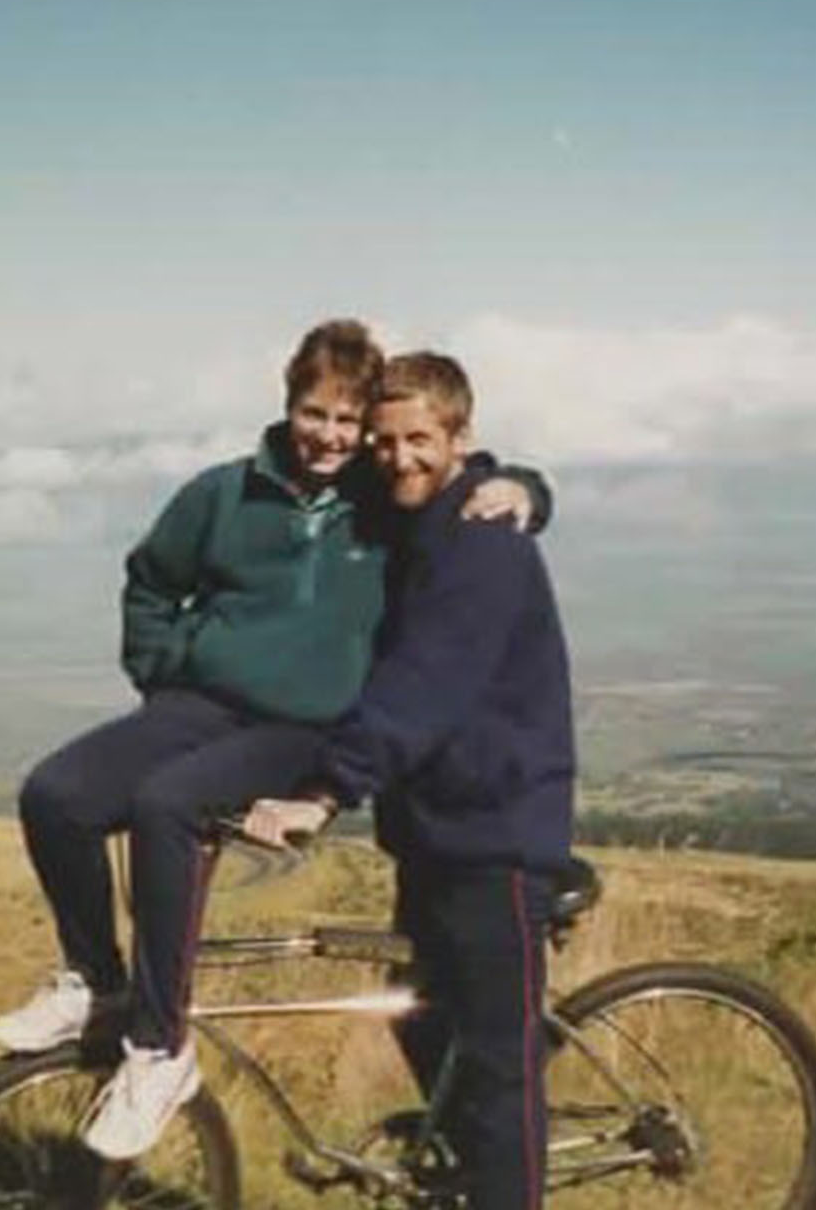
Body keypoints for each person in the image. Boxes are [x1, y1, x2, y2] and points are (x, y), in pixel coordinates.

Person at [0, 320, 552, 1160]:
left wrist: (527, 488)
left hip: (307, 728)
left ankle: (158, 1046)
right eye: (313, 413)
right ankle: (97, 983)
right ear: (288, 406)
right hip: (200, 706)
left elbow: (454, 480)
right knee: (55, 795)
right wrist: (166, 672)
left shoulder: (380, 494)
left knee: (167, 805)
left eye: (345, 420)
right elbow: (151, 580)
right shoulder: (224, 493)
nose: (330, 436)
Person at [246, 352, 576, 1210]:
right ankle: (468, 1178)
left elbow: (423, 689)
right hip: (432, 829)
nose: (399, 457)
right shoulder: (411, 513)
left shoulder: (481, 542)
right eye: (385, 441)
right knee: (426, 1025)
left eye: (420, 439)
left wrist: (325, 792)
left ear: (461, 437)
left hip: (496, 834)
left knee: (501, 1080)